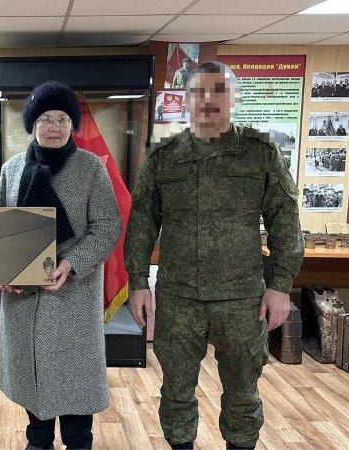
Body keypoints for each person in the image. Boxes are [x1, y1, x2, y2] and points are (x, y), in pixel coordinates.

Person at [124, 61, 304, 449]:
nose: (208, 100)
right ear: (186, 99)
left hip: (241, 299)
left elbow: (285, 219)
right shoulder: (164, 157)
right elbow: (141, 223)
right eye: (199, 92)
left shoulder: (260, 153)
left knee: (243, 394)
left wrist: (281, 285)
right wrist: (137, 282)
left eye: (218, 91)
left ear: (232, 98)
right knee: (175, 391)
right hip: (179, 297)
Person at [0, 81, 121, 450]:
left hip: (72, 298)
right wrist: (0, 270)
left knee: (75, 382)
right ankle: (38, 442)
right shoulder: (12, 169)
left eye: (63, 119)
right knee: (32, 380)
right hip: (23, 299)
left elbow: (108, 225)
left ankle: (79, 442)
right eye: (46, 119)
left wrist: (71, 262)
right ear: (32, 124)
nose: (55, 127)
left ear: (72, 125)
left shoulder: (90, 168)